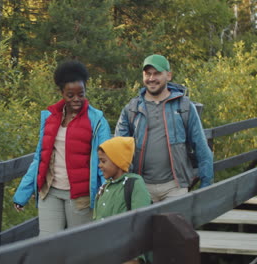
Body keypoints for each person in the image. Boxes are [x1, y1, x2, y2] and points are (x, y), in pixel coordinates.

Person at [13, 60, 111, 237]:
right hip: (50, 192)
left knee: (78, 247)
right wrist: (22, 194)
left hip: (80, 197)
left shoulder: (97, 121)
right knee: (47, 244)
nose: (76, 100)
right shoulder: (50, 118)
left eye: (81, 94)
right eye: (70, 95)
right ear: (61, 93)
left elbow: (106, 161)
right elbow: (39, 158)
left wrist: (107, 194)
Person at [114, 54, 213, 203]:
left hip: (175, 186)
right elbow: (117, 151)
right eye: (148, 74)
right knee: (143, 227)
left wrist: (206, 184)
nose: (151, 78)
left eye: (157, 73)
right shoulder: (131, 109)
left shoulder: (185, 107)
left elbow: (201, 146)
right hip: (141, 186)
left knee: (173, 226)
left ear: (169, 75)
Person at [93, 136, 151, 264]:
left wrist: (136, 258)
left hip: (126, 255)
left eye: (103, 161)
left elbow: (141, 223)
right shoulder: (103, 188)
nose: (99, 165)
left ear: (117, 161)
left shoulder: (135, 183)